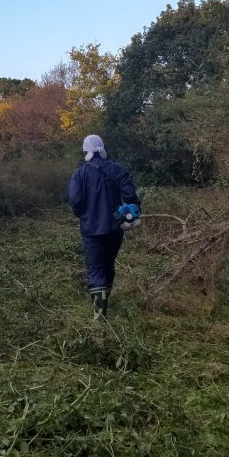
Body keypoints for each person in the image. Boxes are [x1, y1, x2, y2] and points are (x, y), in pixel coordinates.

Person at [68, 134, 141, 321]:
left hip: (91, 231)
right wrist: (133, 209)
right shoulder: (116, 169)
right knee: (108, 265)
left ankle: (99, 315)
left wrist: (83, 215)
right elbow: (131, 196)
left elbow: (75, 200)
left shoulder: (80, 174)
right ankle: (104, 301)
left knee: (95, 269)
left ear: (86, 151)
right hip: (115, 229)